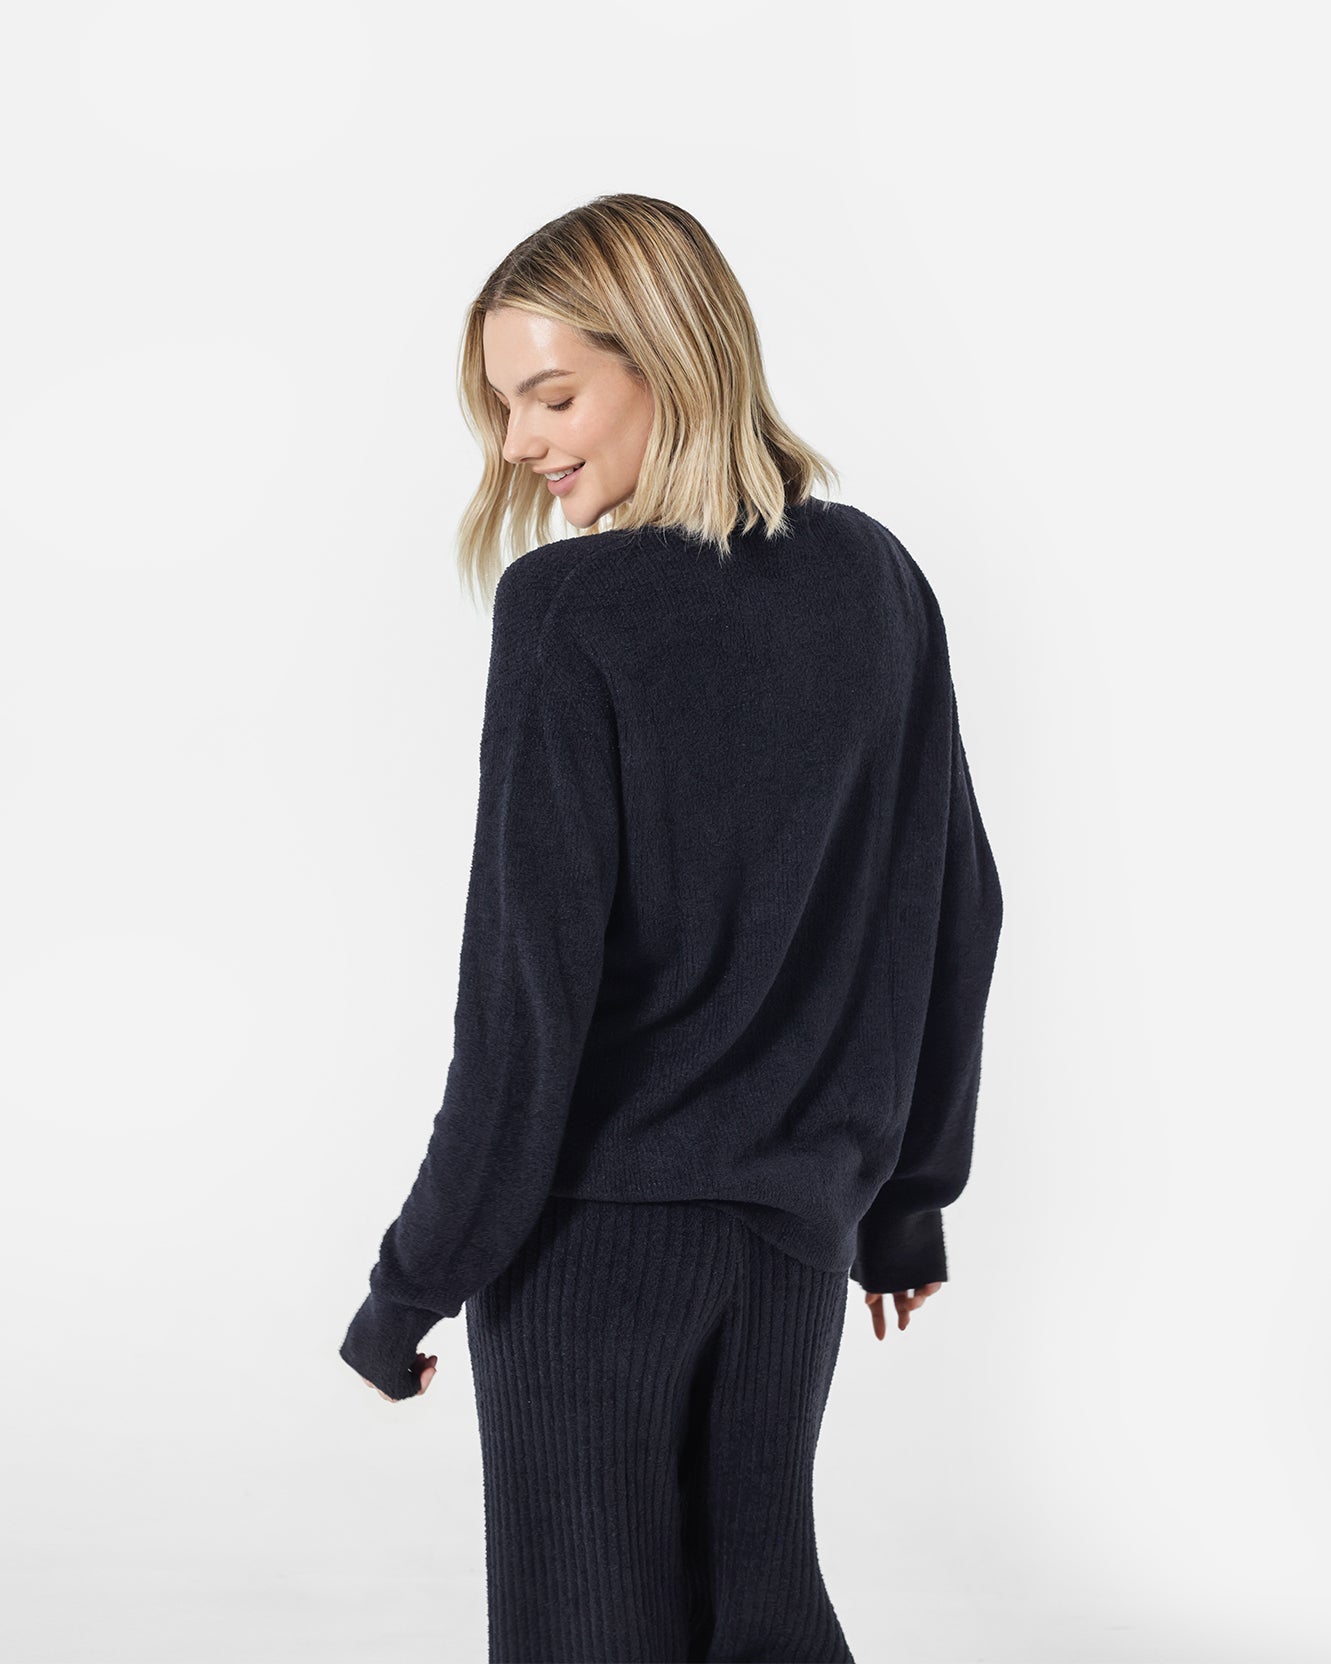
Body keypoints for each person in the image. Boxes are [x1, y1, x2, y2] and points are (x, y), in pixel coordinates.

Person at [339, 192, 1004, 1664]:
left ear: (671, 361)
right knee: (759, 1627)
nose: (519, 444)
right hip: (794, 1245)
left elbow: (526, 1004)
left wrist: (412, 1283)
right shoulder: (875, 577)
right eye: (503, 408)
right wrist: (905, 1199)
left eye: (551, 395)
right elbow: (954, 905)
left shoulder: (570, 609)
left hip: (593, 1251)